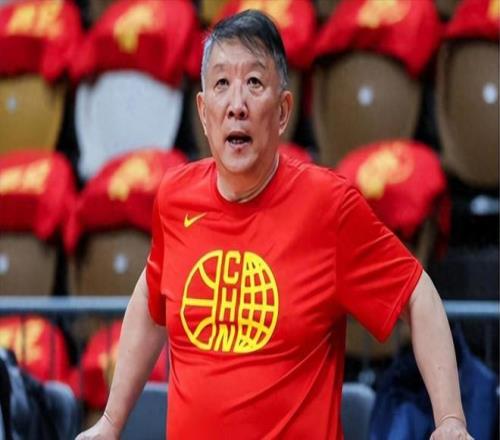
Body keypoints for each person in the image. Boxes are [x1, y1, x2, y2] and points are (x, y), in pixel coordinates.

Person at [76, 10, 473, 440]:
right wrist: (111, 422)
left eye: (254, 82)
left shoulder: (328, 206)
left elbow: (416, 294)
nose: (237, 105)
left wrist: (450, 420)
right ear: (203, 112)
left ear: (283, 111)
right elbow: (151, 299)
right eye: (222, 84)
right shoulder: (175, 197)